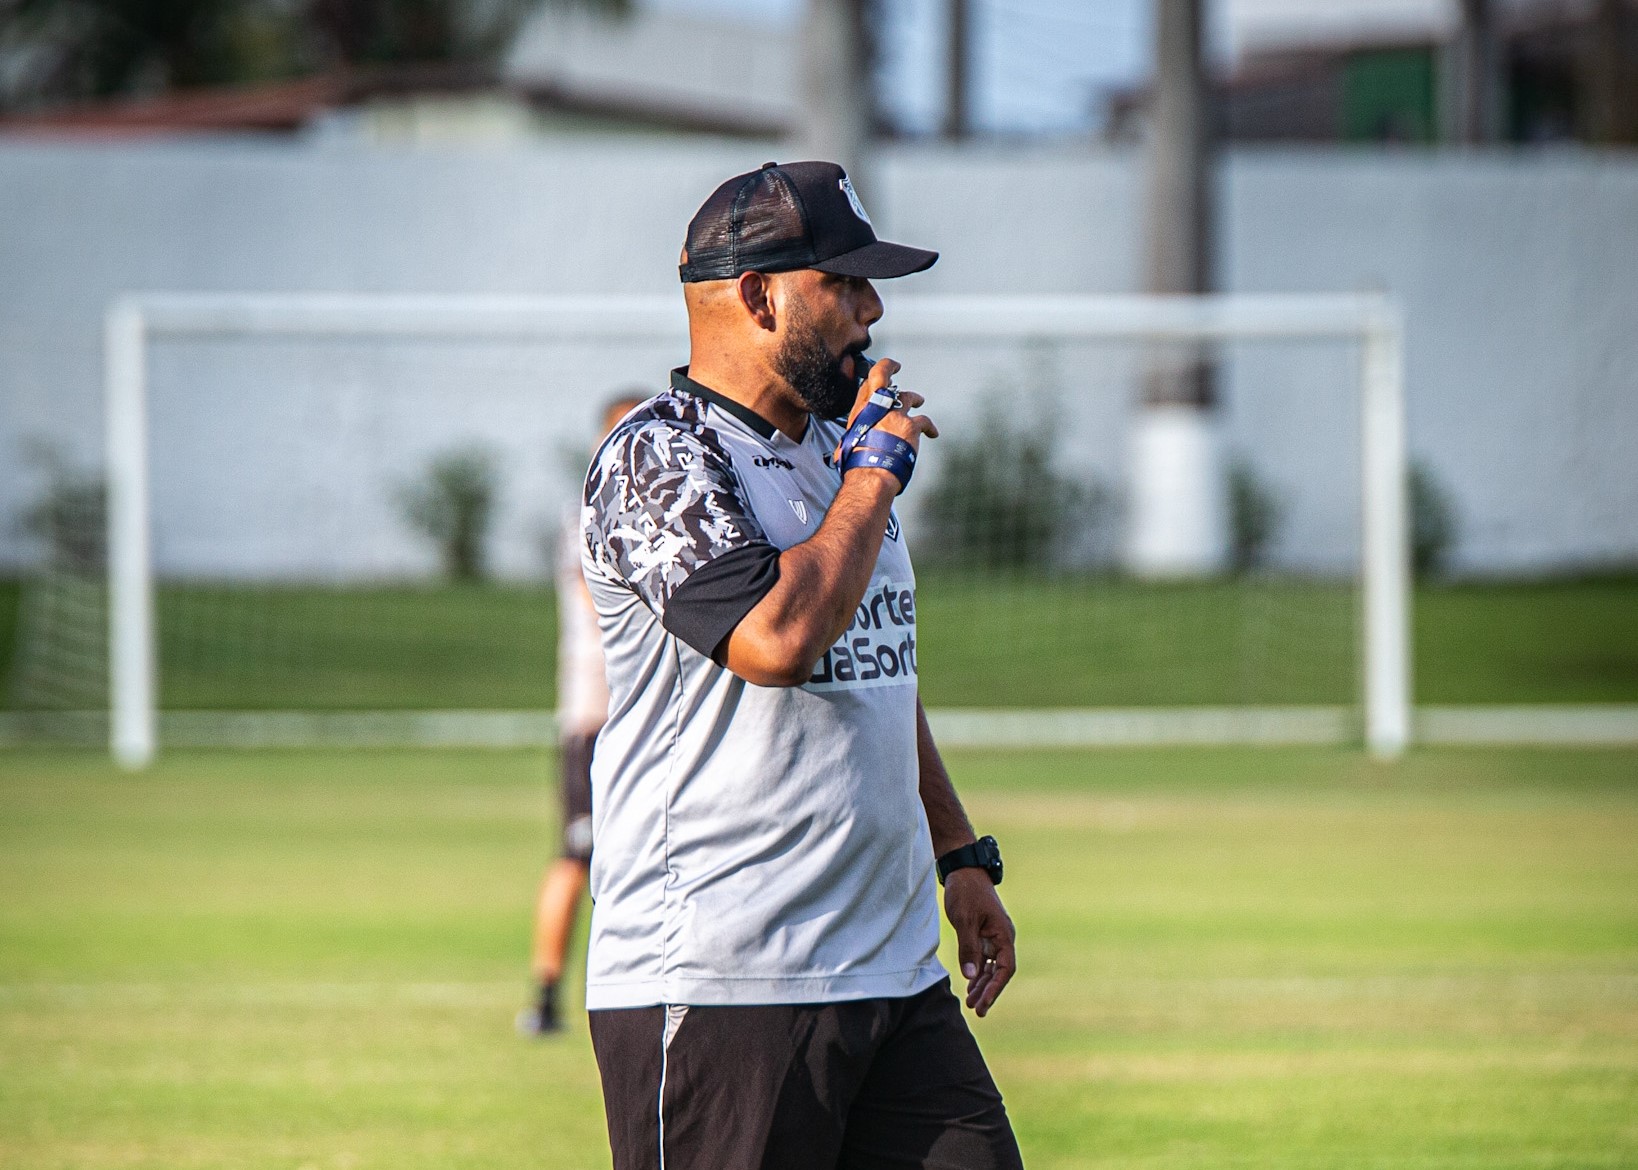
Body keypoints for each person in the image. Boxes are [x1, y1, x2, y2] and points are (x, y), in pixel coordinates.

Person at [580, 160, 1022, 1170]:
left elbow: (875, 675)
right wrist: (870, 479)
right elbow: (778, 641)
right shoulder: (660, 458)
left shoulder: (842, 447)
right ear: (756, 294)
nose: (873, 312)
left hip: (891, 970)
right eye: (847, 284)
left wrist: (958, 856)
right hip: (719, 984)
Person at [519, 393, 647, 1037]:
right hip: (597, 720)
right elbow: (609, 605)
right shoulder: (592, 514)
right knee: (578, 857)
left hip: (646, 718)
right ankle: (545, 995)